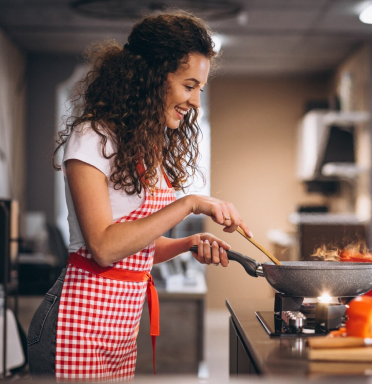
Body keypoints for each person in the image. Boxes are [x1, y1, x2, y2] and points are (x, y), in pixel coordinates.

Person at [27, 11, 251, 381]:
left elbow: (136, 247)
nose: (195, 101)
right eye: (188, 85)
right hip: (76, 324)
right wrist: (190, 203)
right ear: (151, 77)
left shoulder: (142, 146)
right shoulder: (92, 137)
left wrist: (189, 243)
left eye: (200, 89)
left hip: (118, 331)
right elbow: (103, 246)